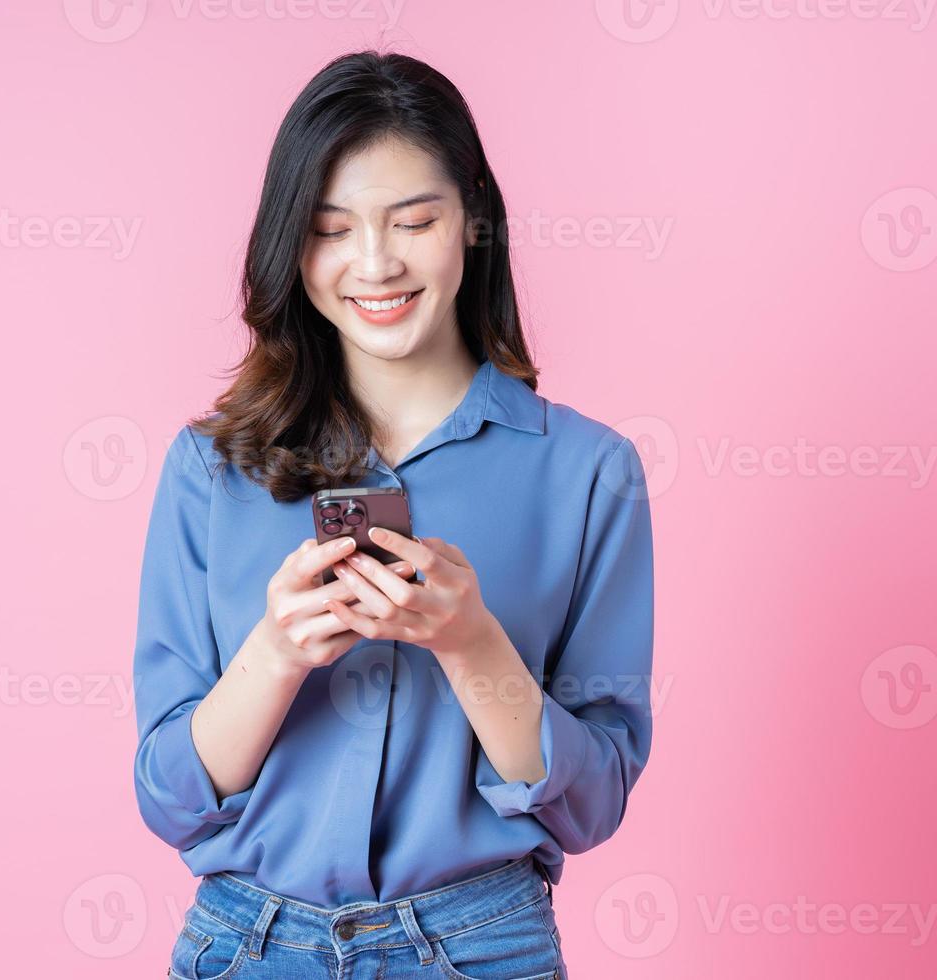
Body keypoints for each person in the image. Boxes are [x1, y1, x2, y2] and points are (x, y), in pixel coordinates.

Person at [132, 49, 655, 980]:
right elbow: (171, 798)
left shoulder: (588, 472)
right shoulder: (210, 469)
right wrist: (277, 651)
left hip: (480, 945)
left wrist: (471, 643)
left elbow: (592, 805)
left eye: (414, 220)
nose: (375, 264)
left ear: (473, 224)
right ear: (292, 246)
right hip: (245, 947)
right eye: (331, 230)